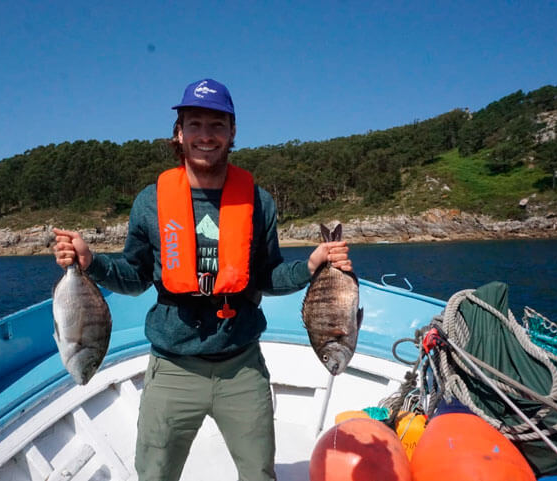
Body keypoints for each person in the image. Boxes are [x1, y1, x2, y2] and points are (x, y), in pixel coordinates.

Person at [52, 78, 353, 481]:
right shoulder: (150, 201)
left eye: (217, 125)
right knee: (155, 474)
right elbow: (135, 277)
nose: (205, 136)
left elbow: (268, 276)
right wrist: (92, 262)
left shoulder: (258, 201)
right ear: (179, 133)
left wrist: (313, 264)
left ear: (232, 133)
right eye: (194, 124)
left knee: (259, 473)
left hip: (242, 366)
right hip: (172, 368)